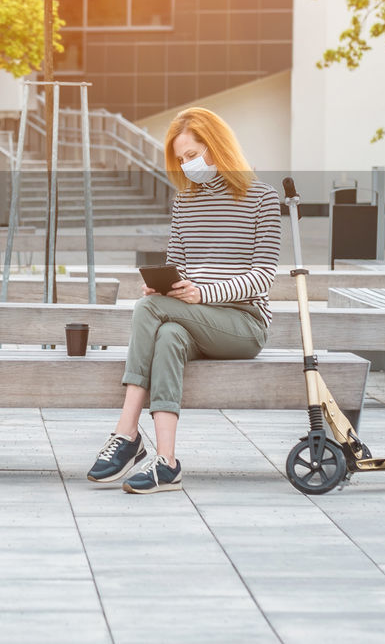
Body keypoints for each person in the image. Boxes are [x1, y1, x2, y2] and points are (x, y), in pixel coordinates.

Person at [87, 108, 281, 493]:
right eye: (181, 159)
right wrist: (166, 287)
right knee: (168, 334)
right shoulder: (185, 202)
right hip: (194, 318)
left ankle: (126, 433)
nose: (186, 165)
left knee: (146, 309)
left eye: (192, 155)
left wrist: (201, 293)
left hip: (243, 324)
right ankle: (167, 463)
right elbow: (177, 265)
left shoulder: (263, 198)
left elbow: (264, 276)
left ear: (218, 147)